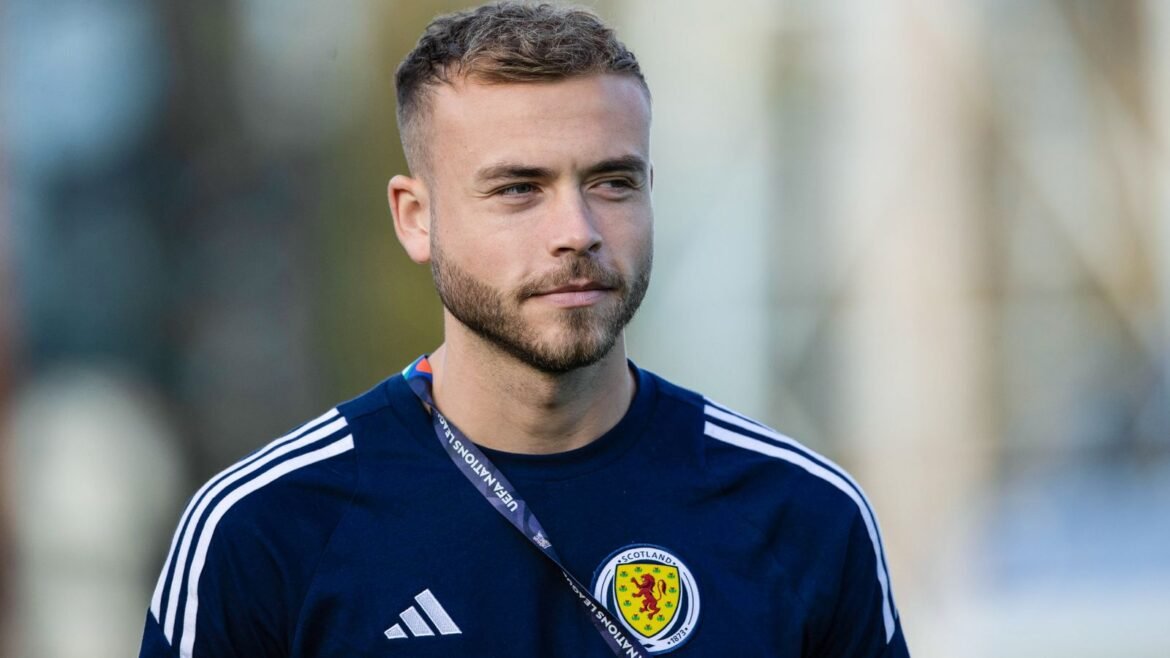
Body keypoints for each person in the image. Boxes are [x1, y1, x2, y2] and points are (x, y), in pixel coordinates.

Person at [138, 3, 910, 657]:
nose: (577, 230)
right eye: (518, 189)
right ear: (416, 217)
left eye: (612, 182)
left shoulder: (801, 517)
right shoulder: (265, 530)